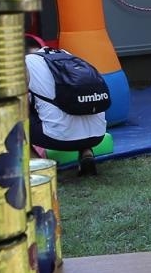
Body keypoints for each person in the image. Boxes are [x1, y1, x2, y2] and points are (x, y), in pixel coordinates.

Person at [25, 46, 106, 176]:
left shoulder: (26, 63)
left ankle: (38, 165)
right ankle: (86, 153)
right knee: (78, 106)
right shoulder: (70, 57)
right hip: (97, 135)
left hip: (59, 138)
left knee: (16, 116)